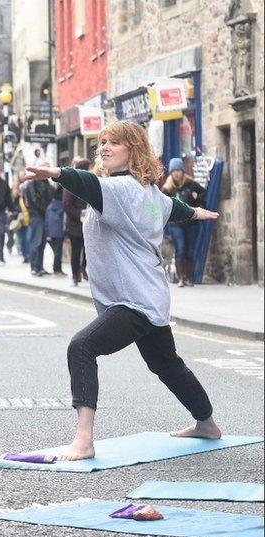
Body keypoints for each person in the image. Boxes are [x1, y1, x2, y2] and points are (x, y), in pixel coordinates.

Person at [21, 119, 221, 461]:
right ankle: (207, 424)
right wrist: (199, 213)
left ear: (134, 149)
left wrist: (55, 171)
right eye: (102, 142)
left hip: (133, 300)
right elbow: (177, 209)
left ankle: (83, 441)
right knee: (168, 366)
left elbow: (86, 183)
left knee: (81, 347)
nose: (105, 148)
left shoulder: (118, 189)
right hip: (151, 296)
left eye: (114, 142)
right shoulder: (150, 193)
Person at [162, 157, 206, 287]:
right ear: (171, 172)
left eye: (178, 170)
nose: (176, 173)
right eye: (173, 170)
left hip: (191, 223)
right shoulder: (167, 189)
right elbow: (161, 207)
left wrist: (197, 198)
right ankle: (181, 278)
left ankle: (188, 278)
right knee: (181, 248)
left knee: (190, 250)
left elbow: (203, 194)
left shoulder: (191, 184)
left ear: (182, 171)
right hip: (176, 224)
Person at [23, 161, 53, 276]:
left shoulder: (47, 183)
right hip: (36, 216)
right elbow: (33, 202)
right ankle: (34, 267)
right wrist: (46, 210)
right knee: (36, 242)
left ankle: (39, 266)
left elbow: (50, 197)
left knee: (42, 243)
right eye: (47, 169)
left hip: (44, 216)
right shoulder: (32, 183)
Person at [64, 157, 90, 286]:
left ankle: (83, 268)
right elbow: (66, 204)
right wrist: (79, 215)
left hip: (87, 224)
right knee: (76, 251)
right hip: (75, 224)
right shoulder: (71, 184)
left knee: (87, 251)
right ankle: (75, 276)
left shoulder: (89, 183)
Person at [45, 182, 67, 276]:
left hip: (51, 232)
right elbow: (64, 220)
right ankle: (57, 270)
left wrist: (47, 233)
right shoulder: (62, 206)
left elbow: (46, 220)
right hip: (59, 232)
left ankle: (57, 269)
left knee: (56, 252)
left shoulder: (50, 206)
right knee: (58, 252)